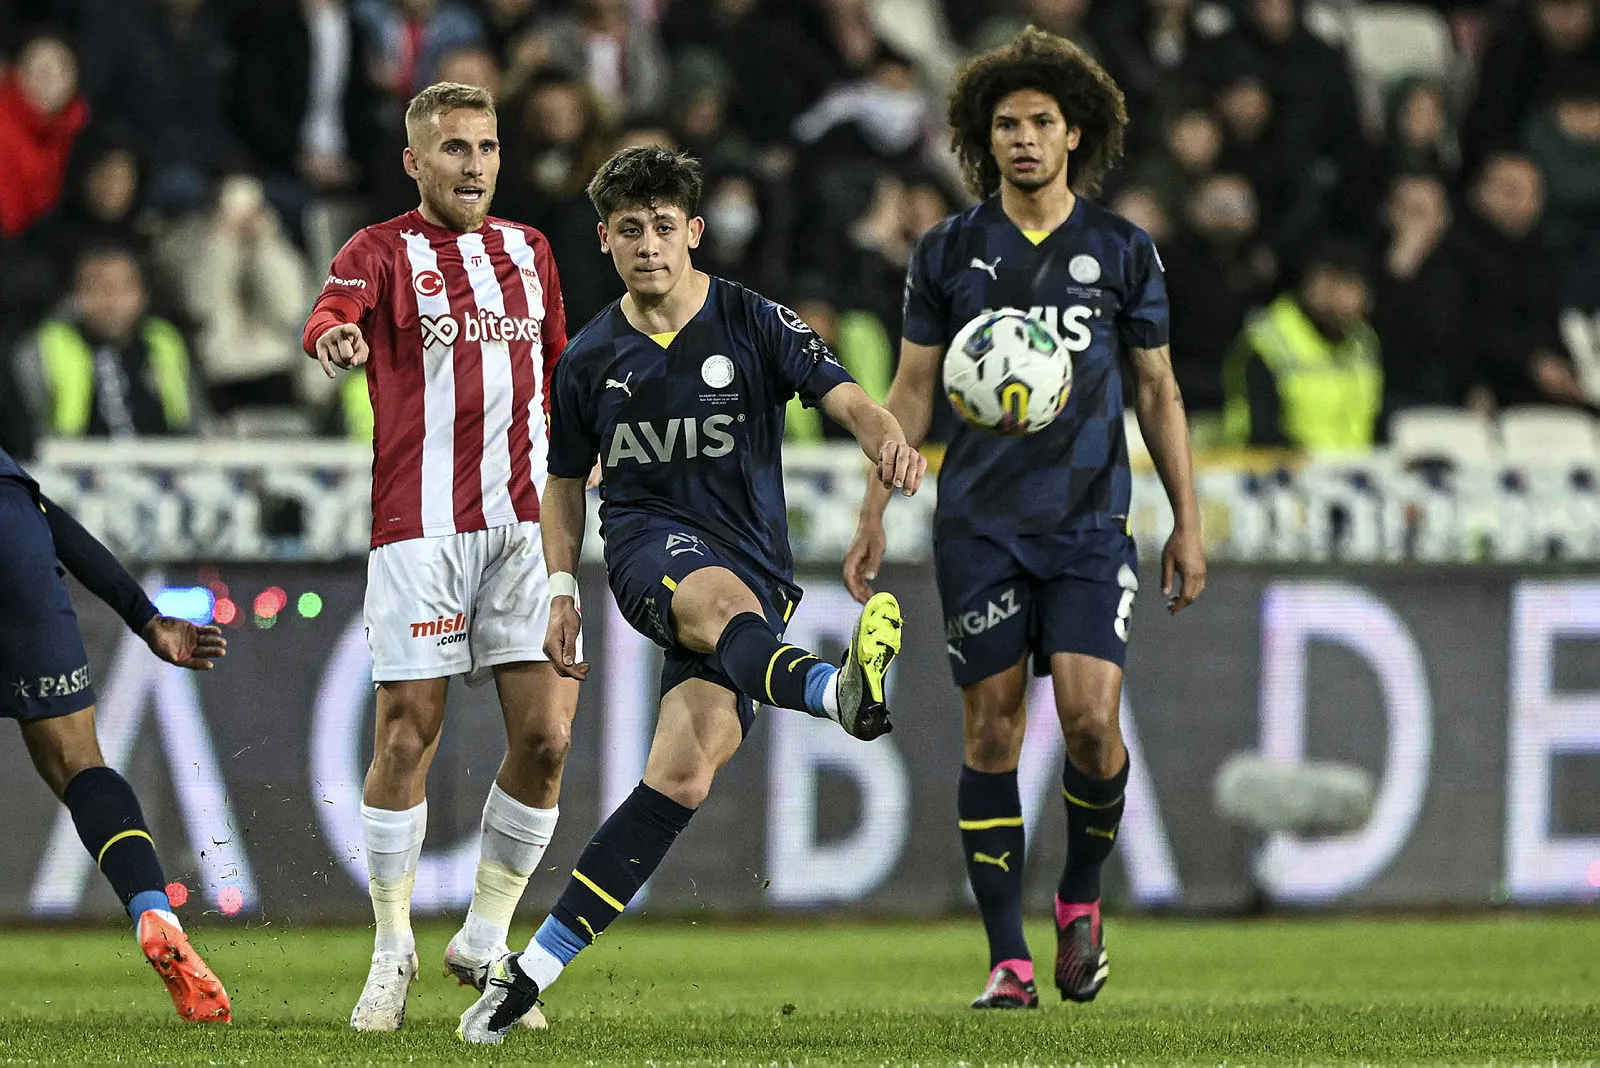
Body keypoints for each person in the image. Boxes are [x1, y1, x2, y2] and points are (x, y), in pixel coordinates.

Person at [457, 145, 926, 1045]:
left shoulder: (752, 320)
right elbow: (561, 486)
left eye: (663, 228)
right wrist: (561, 584)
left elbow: (843, 392)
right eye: (629, 230)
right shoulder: (589, 358)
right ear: (605, 240)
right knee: (719, 605)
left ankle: (529, 974)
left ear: (693, 233)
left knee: (680, 774)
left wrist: (884, 437)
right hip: (649, 551)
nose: (648, 245)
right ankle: (837, 693)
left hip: (759, 564)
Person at [844, 27, 1206, 1010]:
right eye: (1004, 124)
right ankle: (1006, 959)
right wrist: (875, 504)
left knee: (1091, 724)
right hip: (980, 526)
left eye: (1041, 123)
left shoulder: (1122, 251)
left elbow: (1159, 390)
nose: (1023, 139)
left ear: (1075, 135)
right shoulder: (949, 251)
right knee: (992, 730)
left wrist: (1187, 519)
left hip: (1091, 525)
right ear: (979, 137)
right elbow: (912, 387)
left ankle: (1079, 898)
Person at [300, 81, 578, 1033]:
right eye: (454, 148)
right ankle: (391, 948)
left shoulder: (530, 252)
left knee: (546, 740)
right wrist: (335, 337)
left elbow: (558, 379)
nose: (475, 165)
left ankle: (486, 939)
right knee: (405, 737)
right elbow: (331, 312)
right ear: (415, 162)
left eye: (488, 147)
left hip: (525, 527)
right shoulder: (379, 251)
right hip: (419, 528)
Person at [0, 445, 229, 1022]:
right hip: (17, 538)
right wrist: (146, 617)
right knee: (80, 765)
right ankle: (156, 913)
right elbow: (47, 517)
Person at [1221, 242, 1382, 450]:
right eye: (1327, 280)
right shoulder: (1269, 339)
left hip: (1355, 471)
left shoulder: (1364, 339)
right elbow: (1262, 435)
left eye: (1349, 283)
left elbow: (1373, 420)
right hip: (1276, 473)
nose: (1337, 294)